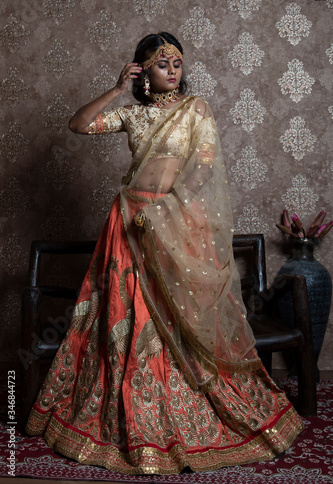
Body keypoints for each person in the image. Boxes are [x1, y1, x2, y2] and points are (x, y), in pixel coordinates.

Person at [26, 32, 303, 475]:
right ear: (143, 71)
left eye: (177, 63)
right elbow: (79, 125)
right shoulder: (133, 116)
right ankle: (129, 412)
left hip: (174, 226)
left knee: (179, 318)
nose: (172, 70)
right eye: (161, 63)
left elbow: (203, 167)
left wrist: (164, 214)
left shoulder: (196, 111)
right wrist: (117, 90)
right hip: (127, 226)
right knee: (125, 318)